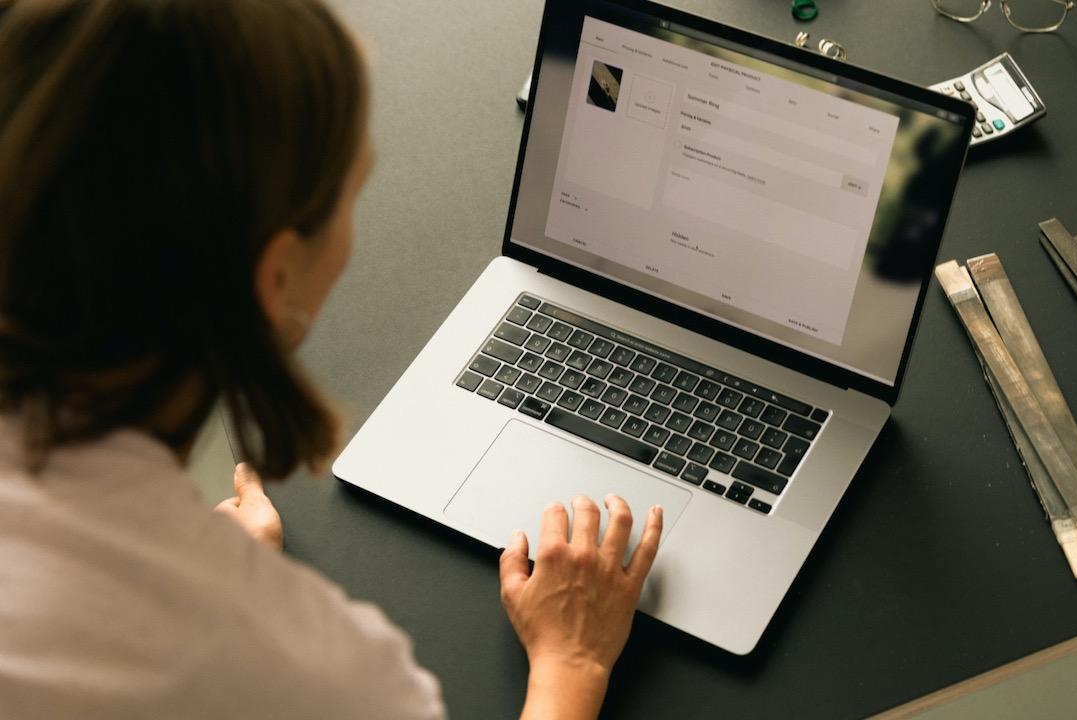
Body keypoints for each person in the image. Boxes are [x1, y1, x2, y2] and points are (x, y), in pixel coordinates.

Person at [0, 0, 662, 718]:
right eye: (354, 191)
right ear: (276, 277)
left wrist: (198, 573)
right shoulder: (330, 679)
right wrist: (574, 663)